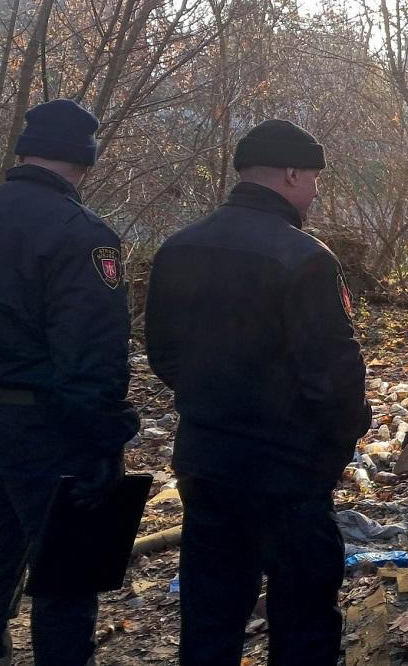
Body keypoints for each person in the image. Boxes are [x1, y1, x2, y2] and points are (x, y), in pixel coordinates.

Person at [144, 120, 370, 666]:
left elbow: (163, 354)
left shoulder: (178, 248)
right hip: (288, 470)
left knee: (210, 613)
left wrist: (212, 401)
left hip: (207, 461)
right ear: (291, 174)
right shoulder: (305, 258)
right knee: (304, 616)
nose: (314, 191)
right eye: (313, 178)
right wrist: (336, 447)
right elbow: (336, 375)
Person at [0, 99, 138, 666]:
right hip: (45, 429)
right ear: (84, 161)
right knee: (66, 581)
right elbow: (92, 356)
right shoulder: (81, 235)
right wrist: (104, 444)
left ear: (24, 152)